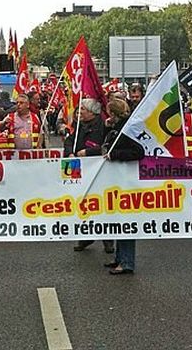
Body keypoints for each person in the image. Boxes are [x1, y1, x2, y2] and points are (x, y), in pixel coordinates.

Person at [102, 99, 145, 275]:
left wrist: (115, 155)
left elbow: (138, 152)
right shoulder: (118, 127)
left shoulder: (126, 129)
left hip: (126, 181)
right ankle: (120, 258)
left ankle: (127, 262)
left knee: (126, 221)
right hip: (118, 180)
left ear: (113, 113)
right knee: (119, 220)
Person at [63, 99, 113, 253]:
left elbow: (107, 146)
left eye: (83, 109)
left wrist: (89, 152)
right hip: (77, 167)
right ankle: (85, 236)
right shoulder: (78, 126)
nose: (80, 112)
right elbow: (69, 141)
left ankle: (108, 240)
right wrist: (70, 152)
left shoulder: (104, 126)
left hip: (98, 169)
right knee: (81, 202)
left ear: (92, 112)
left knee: (101, 203)